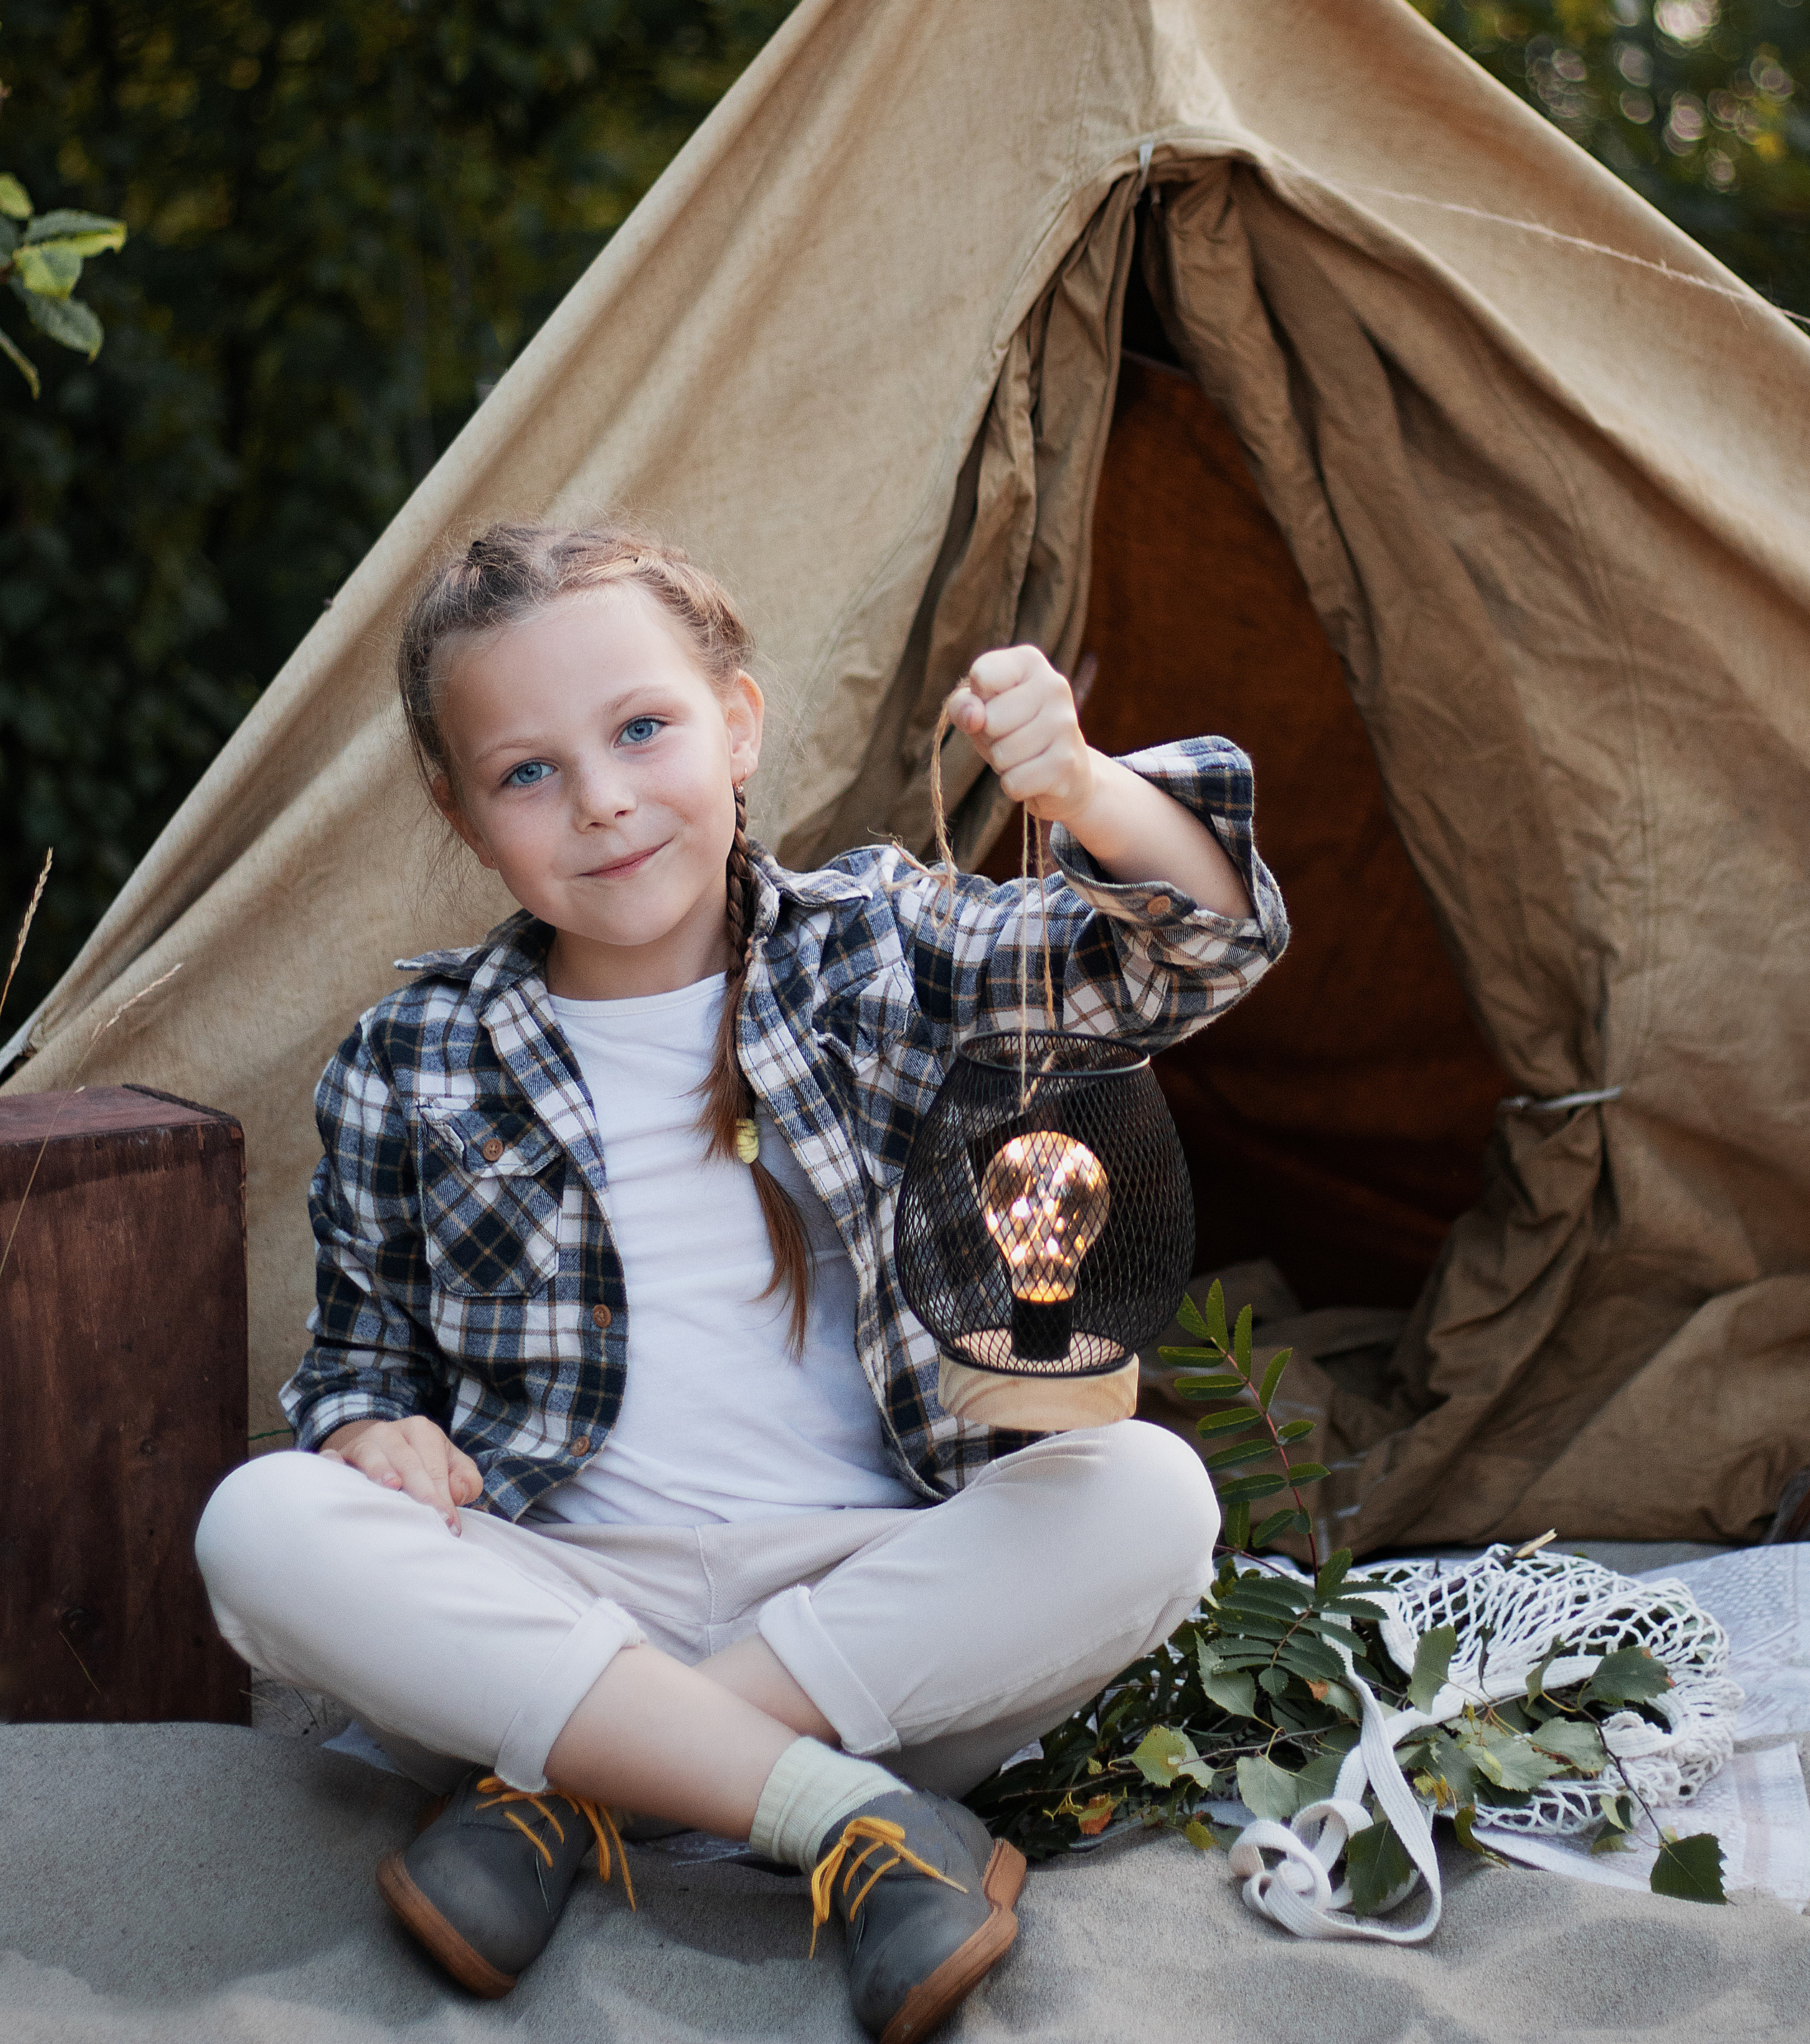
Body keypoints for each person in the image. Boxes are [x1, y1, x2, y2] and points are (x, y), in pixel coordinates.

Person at [195, 522, 1288, 2043]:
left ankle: (572, 1794)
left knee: (1149, 1497)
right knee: (261, 1520)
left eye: (641, 728)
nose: (601, 800)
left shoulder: (884, 944)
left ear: (739, 720)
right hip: (567, 1592)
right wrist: (368, 1433)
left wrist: (1085, 791)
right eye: (527, 774)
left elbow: (1200, 951)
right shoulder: (413, 1056)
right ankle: (844, 1815)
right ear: (462, 817)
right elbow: (358, 1359)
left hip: (872, 1597)